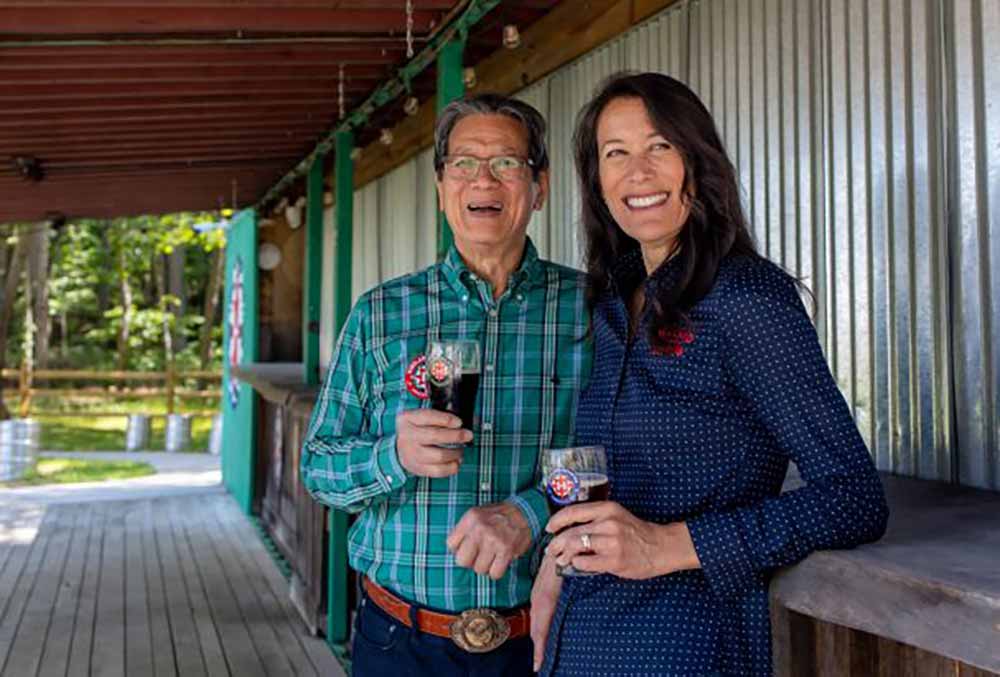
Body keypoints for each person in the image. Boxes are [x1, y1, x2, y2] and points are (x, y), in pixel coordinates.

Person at [530, 72, 889, 676]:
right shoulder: (612, 302)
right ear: (597, 180)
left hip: (686, 646)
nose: (636, 172)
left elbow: (853, 498)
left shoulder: (747, 298)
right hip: (581, 632)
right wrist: (554, 561)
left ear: (698, 161)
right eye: (615, 153)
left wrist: (669, 544)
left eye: (659, 147)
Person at [301, 93, 591, 677]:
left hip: (544, 632)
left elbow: (624, 458)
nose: (482, 178)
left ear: (540, 187)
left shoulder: (592, 309)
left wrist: (530, 513)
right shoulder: (381, 313)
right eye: (463, 163)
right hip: (397, 640)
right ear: (441, 187)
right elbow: (318, 468)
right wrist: (393, 455)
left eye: (506, 162)